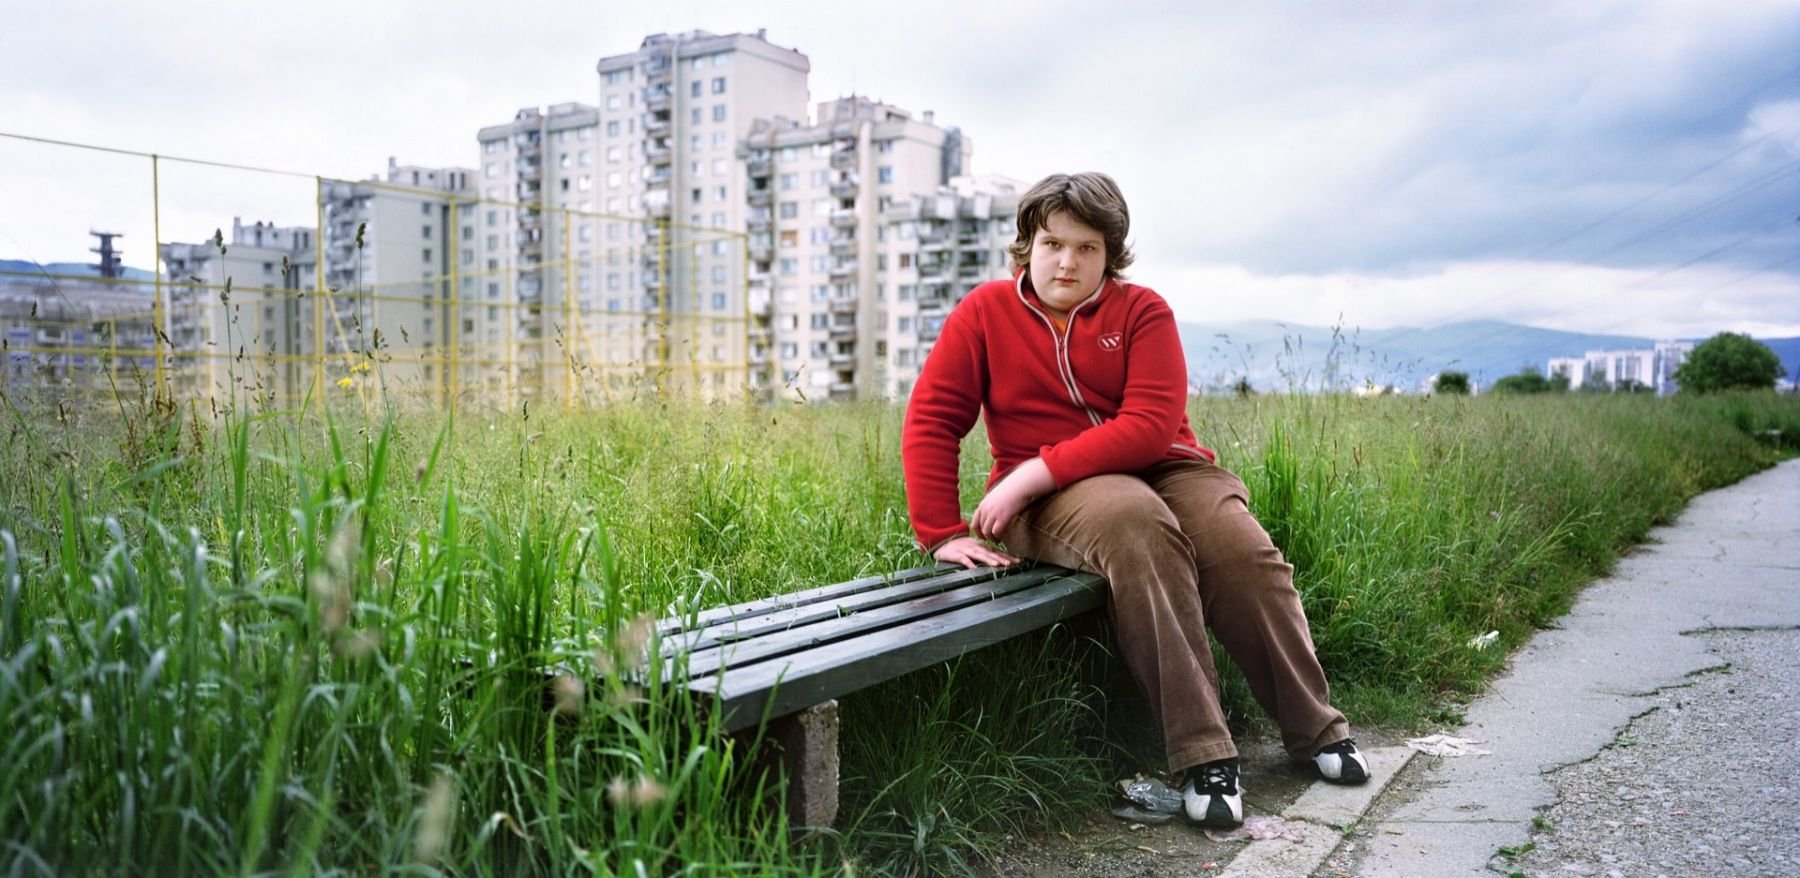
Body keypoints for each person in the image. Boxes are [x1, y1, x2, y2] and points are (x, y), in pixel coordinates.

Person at [900, 172, 1369, 829]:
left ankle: (1315, 726)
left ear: (1109, 254)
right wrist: (942, 532)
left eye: (1087, 248)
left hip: (1162, 467)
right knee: (1134, 520)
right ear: (1026, 247)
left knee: (1239, 547)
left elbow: (1150, 425)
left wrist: (1032, 471)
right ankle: (1206, 753)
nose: (1067, 261)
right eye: (1053, 243)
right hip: (1066, 502)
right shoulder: (984, 315)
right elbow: (931, 418)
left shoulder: (1142, 311)